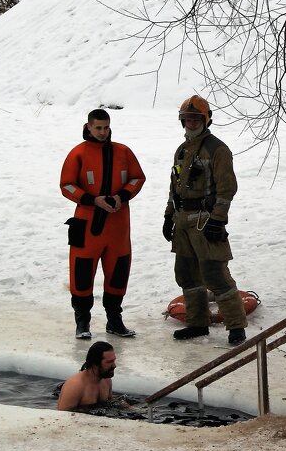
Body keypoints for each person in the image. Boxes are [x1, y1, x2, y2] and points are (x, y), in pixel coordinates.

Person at [164, 95, 249, 345]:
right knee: (187, 274)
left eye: (195, 119)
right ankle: (197, 322)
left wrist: (217, 220)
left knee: (215, 273)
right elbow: (174, 187)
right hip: (183, 221)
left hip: (204, 220)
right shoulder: (182, 151)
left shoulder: (217, 149)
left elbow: (227, 188)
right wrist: (169, 216)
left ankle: (236, 326)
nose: (191, 123)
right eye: (187, 119)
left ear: (206, 120)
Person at [60, 109, 146, 340]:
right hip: (87, 225)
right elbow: (66, 185)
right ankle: (82, 321)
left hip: (117, 226)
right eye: (98, 128)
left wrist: (122, 196)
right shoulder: (78, 154)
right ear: (88, 127)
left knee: (118, 273)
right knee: (82, 274)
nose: (102, 132)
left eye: (105, 127)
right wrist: (92, 200)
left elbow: (138, 178)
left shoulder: (123, 152)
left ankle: (114, 321)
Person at [57, 341, 116, 410]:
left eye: (114, 361)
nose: (114, 366)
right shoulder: (75, 385)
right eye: (109, 362)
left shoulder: (106, 380)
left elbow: (111, 404)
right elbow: (62, 416)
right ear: (95, 364)